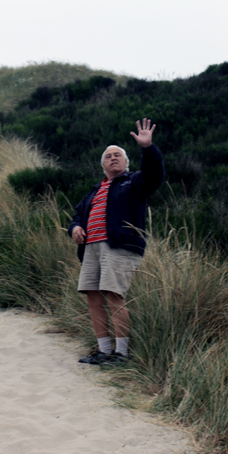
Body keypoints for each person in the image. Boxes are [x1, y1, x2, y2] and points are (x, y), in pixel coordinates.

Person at [67, 118, 164, 366]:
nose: (113, 158)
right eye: (108, 156)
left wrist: (148, 148)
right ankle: (104, 351)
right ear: (102, 164)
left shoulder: (134, 183)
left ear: (125, 162)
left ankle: (122, 354)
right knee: (93, 296)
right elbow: (77, 215)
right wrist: (76, 227)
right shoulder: (94, 190)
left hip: (120, 246)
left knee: (113, 295)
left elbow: (155, 174)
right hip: (91, 249)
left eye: (117, 155)